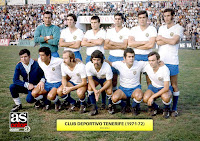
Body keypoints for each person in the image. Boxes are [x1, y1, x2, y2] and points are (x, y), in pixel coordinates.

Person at [156, 8, 183, 117]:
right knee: (164, 85)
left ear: (172, 16)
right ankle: (166, 108)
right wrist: (168, 40)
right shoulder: (161, 28)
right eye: (165, 16)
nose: (166, 18)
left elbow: (174, 41)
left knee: (174, 85)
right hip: (161, 61)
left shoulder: (178, 28)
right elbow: (158, 41)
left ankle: (174, 108)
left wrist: (163, 39)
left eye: (168, 15)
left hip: (172, 61)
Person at [106, 48, 143, 115]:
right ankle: (124, 106)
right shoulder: (119, 64)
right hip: (123, 89)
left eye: (132, 56)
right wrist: (100, 58)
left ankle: (133, 107)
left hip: (135, 89)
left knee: (139, 96)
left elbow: (151, 63)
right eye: (129, 57)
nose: (131, 59)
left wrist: (160, 62)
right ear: (124, 58)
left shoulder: (139, 64)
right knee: (114, 98)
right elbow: (109, 63)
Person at [81, 15, 107, 109]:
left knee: (103, 79)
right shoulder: (88, 32)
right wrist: (95, 41)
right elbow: (83, 43)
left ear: (99, 23)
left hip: (100, 57)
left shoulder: (103, 32)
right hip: (89, 57)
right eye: (92, 22)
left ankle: (104, 102)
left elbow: (100, 42)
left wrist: (90, 41)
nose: (93, 24)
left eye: (95, 22)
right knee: (90, 78)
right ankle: (90, 99)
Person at [128, 10, 157, 85]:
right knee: (136, 81)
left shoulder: (152, 29)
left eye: (143, 17)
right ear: (138, 19)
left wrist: (136, 44)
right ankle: (137, 96)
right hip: (136, 56)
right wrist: (144, 42)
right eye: (140, 18)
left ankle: (150, 96)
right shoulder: (133, 29)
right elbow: (130, 43)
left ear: (147, 18)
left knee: (150, 80)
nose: (142, 19)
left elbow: (150, 45)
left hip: (148, 56)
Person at [31, 47, 63, 112]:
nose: (41, 57)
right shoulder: (40, 60)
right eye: (40, 55)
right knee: (34, 93)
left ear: (48, 55)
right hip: (47, 83)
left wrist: (77, 60)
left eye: (43, 55)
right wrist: (23, 61)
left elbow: (67, 60)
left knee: (50, 96)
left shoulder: (58, 61)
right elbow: (36, 60)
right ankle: (45, 101)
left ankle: (57, 102)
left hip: (57, 82)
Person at [104, 13, 129, 93]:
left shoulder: (126, 31)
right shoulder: (110, 31)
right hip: (112, 57)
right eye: (116, 19)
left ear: (122, 20)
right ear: (114, 20)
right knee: (113, 79)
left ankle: (124, 96)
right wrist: (119, 44)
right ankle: (113, 95)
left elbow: (125, 46)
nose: (117, 21)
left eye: (119, 19)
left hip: (122, 57)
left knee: (124, 78)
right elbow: (106, 46)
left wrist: (112, 43)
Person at [143, 52, 172, 119]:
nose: (151, 62)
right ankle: (156, 108)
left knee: (166, 97)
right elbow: (135, 64)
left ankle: (166, 109)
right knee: (145, 98)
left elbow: (166, 88)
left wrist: (152, 97)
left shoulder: (164, 69)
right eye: (149, 60)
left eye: (153, 60)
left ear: (158, 60)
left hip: (164, 88)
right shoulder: (147, 66)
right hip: (153, 87)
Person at [85, 50, 113, 116]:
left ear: (102, 60)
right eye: (94, 60)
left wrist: (100, 90)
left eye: (98, 60)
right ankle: (94, 107)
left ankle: (110, 105)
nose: (96, 62)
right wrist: (95, 90)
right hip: (96, 78)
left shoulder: (107, 66)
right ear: (92, 60)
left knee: (109, 90)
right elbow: (90, 79)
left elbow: (109, 82)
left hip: (104, 79)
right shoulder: (88, 65)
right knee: (90, 87)